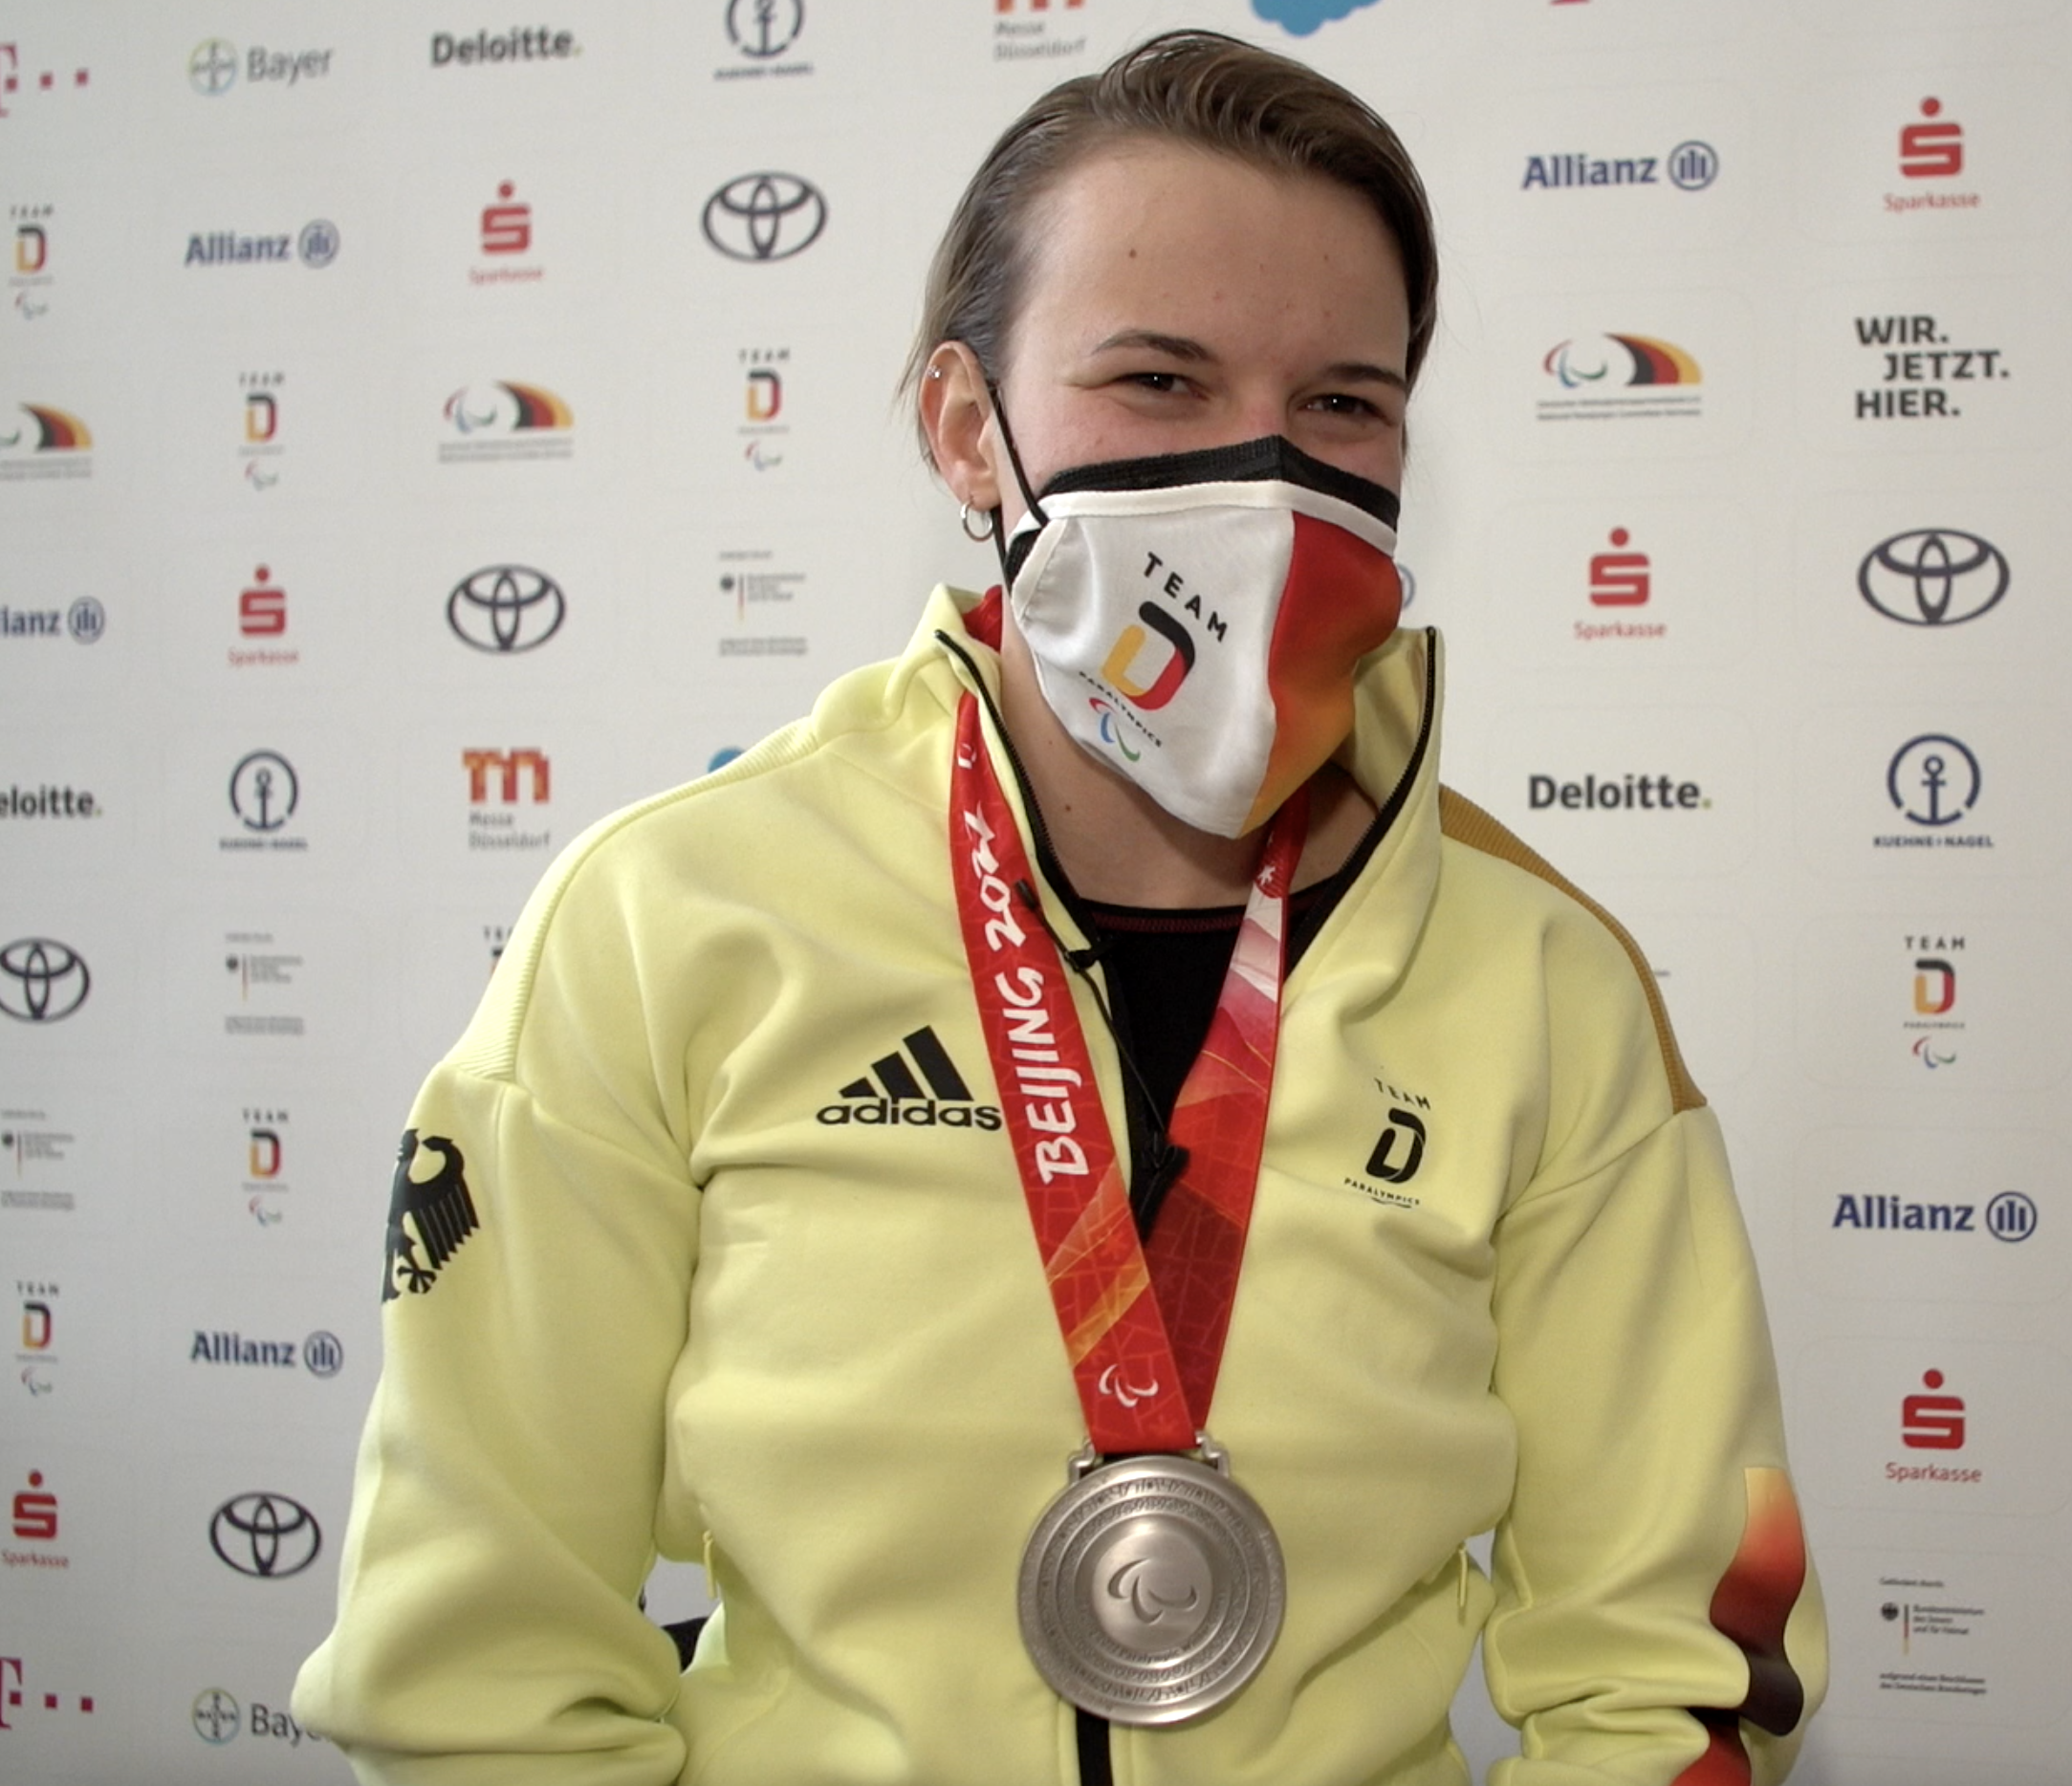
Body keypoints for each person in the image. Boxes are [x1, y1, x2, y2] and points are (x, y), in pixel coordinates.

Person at [296, 31, 1824, 1786]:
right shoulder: (668, 920)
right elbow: (476, 1674)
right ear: (969, 431)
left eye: (1342, 404)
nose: (1263, 480)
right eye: (1159, 381)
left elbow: (1676, 1676)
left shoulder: (1545, 981)